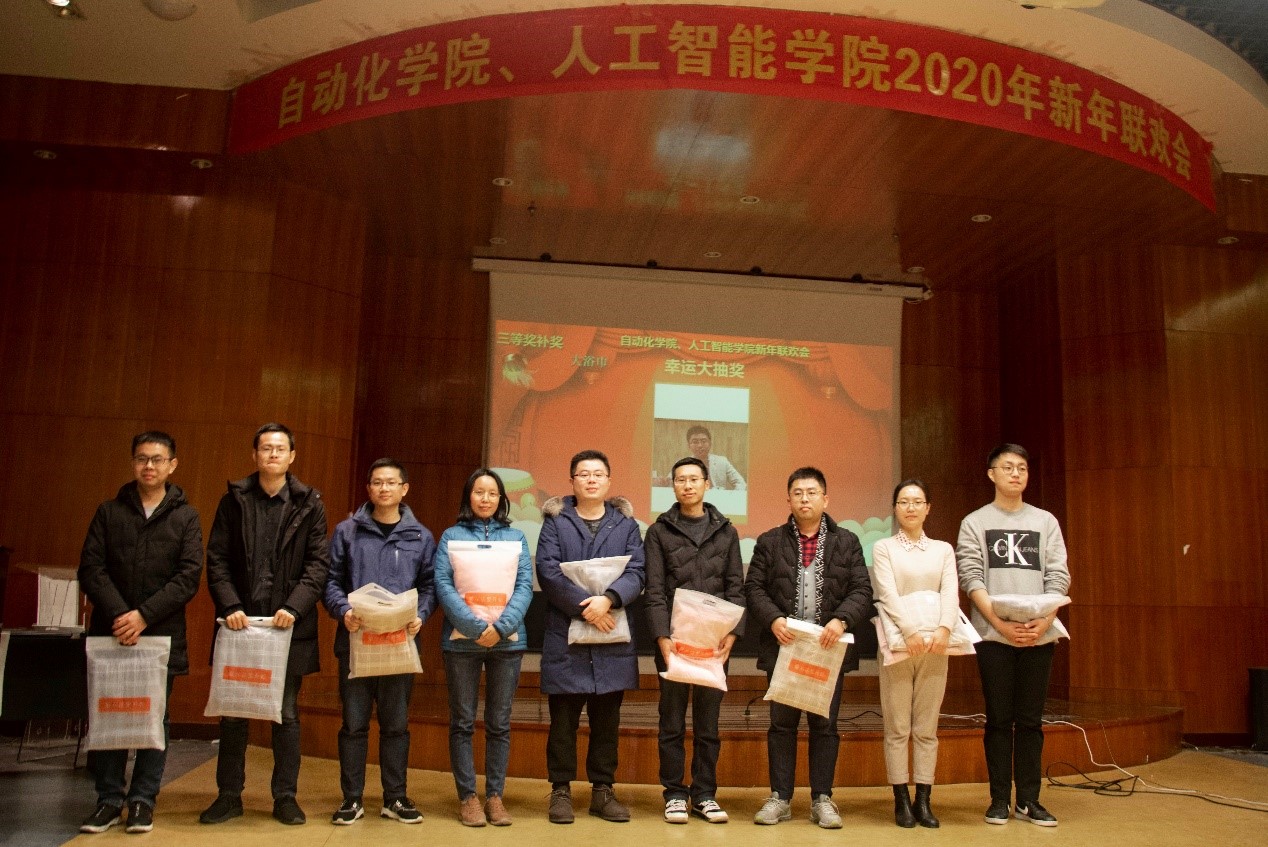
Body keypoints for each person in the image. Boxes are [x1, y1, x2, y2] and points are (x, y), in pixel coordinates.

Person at [201, 423, 330, 826]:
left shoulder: (310, 503)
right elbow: (217, 559)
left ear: (292, 456)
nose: (273, 454)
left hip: (286, 627)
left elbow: (318, 564)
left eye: (280, 448)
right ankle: (228, 796)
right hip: (240, 625)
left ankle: (285, 797)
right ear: (255, 455)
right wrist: (230, 604)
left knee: (286, 714)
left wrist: (295, 606)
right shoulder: (233, 500)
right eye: (265, 448)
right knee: (233, 714)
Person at [77, 432, 204, 835]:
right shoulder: (109, 512)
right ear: (133, 463)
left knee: (154, 718)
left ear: (172, 465)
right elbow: (91, 568)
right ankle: (108, 800)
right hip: (112, 631)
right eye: (141, 459)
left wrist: (144, 616)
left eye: (157, 459)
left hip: (159, 635)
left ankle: (142, 801)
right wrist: (121, 615)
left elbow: (188, 577)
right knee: (111, 713)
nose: (149, 466)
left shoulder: (186, 517)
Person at [744, 467, 872, 829]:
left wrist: (841, 619)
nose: (805, 499)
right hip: (784, 646)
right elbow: (754, 588)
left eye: (812, 492)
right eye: (798, 493)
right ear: (788, 500)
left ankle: (822, 799)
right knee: (781, 726)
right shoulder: (769, 541)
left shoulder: (847, 542)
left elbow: (862, 590)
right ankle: (780, 798)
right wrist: (773, 619)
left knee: (824, 726)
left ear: (825, 499)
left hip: (827, 649)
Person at [957, 443, 1070, 827]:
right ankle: (999, 799)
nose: (1016, 473)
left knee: (1031, 721)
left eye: (1022, 467)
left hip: (1040, 634)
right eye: (1008, 467)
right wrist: (999, 624)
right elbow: (971, 576)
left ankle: (1030, 800)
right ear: (992, 474)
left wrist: (1045, 619)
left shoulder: (1045, 521)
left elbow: (1058, 576)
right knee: (999, 719)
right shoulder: (975, 522)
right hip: (994, 636)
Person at [323, 458, 436, 826]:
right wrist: (343, 611)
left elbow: (430, 585)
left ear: (404, 489)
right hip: (356, 641)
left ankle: (395, 798)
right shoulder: (347, 532)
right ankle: (351, 799)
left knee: (396, 725)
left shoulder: (420, 536)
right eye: (376, 482)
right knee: (354, 724)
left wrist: (422, 614)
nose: (384, 488)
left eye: (391, 482)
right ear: (368, 489)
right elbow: (330, 581)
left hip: (400, 643)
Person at [536, 449, 645, 824]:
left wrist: (609, 599)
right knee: (562, 722)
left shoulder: (625, 524)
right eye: (583, 474)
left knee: (607, 721)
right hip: (567, 634)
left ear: (609, 481)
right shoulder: (556, 522)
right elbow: (548, 571)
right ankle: (560, 790)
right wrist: (587, 607)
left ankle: (603, 791)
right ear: (572, 481)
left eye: (598, 473)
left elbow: (638, 571)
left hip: (612, 632)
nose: (591, 479)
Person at [644, 456, 744, 825]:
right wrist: (661, 637)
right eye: (680, 480)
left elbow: (736, 587)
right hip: (673, 642)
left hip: (714, 642)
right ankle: (674, 794)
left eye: (694, 479)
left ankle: (704, 795)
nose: (687, 486)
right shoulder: (658, 532)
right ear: (672, 486)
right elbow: (654, 590)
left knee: (708, 724)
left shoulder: (727, 532)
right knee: (671, 721)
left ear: (707, 484)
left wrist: (733, 632)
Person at [434, 469, 533, 827]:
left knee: (499, 723)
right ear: (469, 496)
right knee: (462, 722)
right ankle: (468, 798)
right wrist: (475, 628)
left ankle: (494, 797)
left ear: (502, 499)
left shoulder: (516, 536)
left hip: (507, 643)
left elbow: (524, 584)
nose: (486, 499)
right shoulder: (451, 536)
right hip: (462, 643)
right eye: (479, 492)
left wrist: (502, 627)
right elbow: (442, 584)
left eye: (493, 493)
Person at [870, 479, 957, 828]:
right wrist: (909, 632)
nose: (910, 507)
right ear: (895, 508)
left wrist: (944, 629)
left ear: (928, 508)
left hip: (936, 644)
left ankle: (924, 799)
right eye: (904, 501)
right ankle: (901, 801)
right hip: (898, 644)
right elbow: (887, 593)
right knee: (897, 726)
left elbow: (950, 592)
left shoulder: (943, 550)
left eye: (917, 501)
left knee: (926, 727)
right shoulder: (884, 548)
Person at [686, 426, 746, 490]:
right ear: (689, 445)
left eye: (704, 441)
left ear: (710, 443)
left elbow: (741, 483)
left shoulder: (722, 462)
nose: (700, 445)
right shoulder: (683, 465)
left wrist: (732, 495)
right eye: (695, 442)